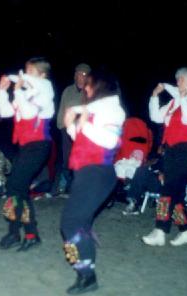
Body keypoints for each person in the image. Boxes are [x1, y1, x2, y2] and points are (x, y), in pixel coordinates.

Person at [60, 69, 125, 294]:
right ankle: (84, 271)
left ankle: (88, 275)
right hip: (89, 171)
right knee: (79, 222)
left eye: (88, 85)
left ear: (99, 87)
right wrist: (72, 124)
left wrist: (83, 122)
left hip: (98, 172)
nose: (85, 88)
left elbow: (109, 141)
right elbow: (82, 139)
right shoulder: (95, 110)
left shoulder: (113, 110)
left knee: (70, 223)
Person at [0, 57, 55, 251]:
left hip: (38, 146)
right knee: (18, 189)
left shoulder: (45, 91)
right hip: (26, 147)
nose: (25, 75)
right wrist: (2, 90)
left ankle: (20, 233)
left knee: (15, 185)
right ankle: (24, 233)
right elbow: (4, 111)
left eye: (30, 71)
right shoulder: (26, 92)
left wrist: (18, 89)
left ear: (42, 75)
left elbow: (28, 114)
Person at [142, 67, 187, 247]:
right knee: (176, 194)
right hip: (172, 152)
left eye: (182, 80)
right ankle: (186, 231)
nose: (178, 82)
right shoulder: (174, 103)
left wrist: (185, 97)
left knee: (168, 190)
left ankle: (160, 230)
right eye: (177, 79)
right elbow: (155, 117)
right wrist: (155, 96)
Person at [54, 63, 91, 195]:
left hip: (84, 131)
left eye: (84, 74)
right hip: (67, 129)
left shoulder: (91, 91)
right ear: (75, 76)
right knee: (66, 159)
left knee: (82, 159)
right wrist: (60, 126)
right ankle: (68, 184)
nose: (81, 76)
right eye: (79, 74)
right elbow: (62, 109)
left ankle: (79, 187)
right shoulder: (68, 91)